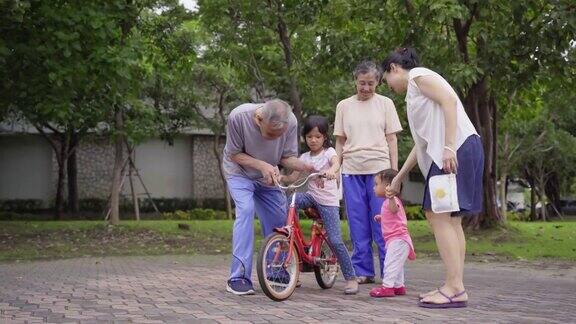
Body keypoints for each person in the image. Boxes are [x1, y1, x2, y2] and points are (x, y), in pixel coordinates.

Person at [381, 47, 484, 308]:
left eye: (386, 80)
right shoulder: (415, 94)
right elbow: (422, 144)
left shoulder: (418, 76)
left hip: (455, 148)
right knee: (451, 219)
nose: (388, 86)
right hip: (456, 148)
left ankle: (454, 287)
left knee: (437, 215)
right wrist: (398, 178)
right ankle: (455, 284)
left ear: (394, 68)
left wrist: (449, 146)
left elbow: (449, 99)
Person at [223, 99, 314, 295]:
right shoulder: (238, 117)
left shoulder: (290, 122)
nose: (274, 139)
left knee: (279, 219)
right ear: (259, 118)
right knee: (246, 211)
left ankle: (276, 271)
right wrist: (262, 165)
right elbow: (234, 154)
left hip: (270, 178)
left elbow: (286, 157)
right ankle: (238, 276)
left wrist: (307, 166)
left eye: (279, 135)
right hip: (239, 174)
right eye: (271, 134)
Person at [334, 60, 403, 284]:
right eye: (361, 83)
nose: (365, 88)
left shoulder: (385, 104)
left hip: (380, 171)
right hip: (351, 170)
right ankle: (363, 270)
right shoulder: (343, 105)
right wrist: (336, 167)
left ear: (378, 83)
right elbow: (340, 142)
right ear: (355, 81)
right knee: (357, 223)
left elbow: (392, 139)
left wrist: (395, 173)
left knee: (383, 222)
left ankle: (389, 271)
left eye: (370, 83)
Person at [280, 115, 359, 295]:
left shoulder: (329, 152)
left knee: (335, 240)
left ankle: (351, 278)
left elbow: (336, 163)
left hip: (328, 203)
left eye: (317, 136)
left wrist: (331, 171)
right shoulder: (305, 157)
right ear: (304, 138)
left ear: (324, 137)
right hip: (312, 197)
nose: (313, 140)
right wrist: (282, 178)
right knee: (291, 200)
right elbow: (293, 177)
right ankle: (290, 229)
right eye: (309, 137)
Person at [369, 169, 415, 298]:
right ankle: (398, 286)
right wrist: (382, 217)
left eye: (376, 184)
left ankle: (387, 287)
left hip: (398, 240)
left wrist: (390, 197)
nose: (374, 188)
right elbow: (393, 216)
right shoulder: (388, 202)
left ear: (388, 187)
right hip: (397, 240)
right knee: (397, 264)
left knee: (390, 263)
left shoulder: (392, 200)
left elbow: (394, 209)